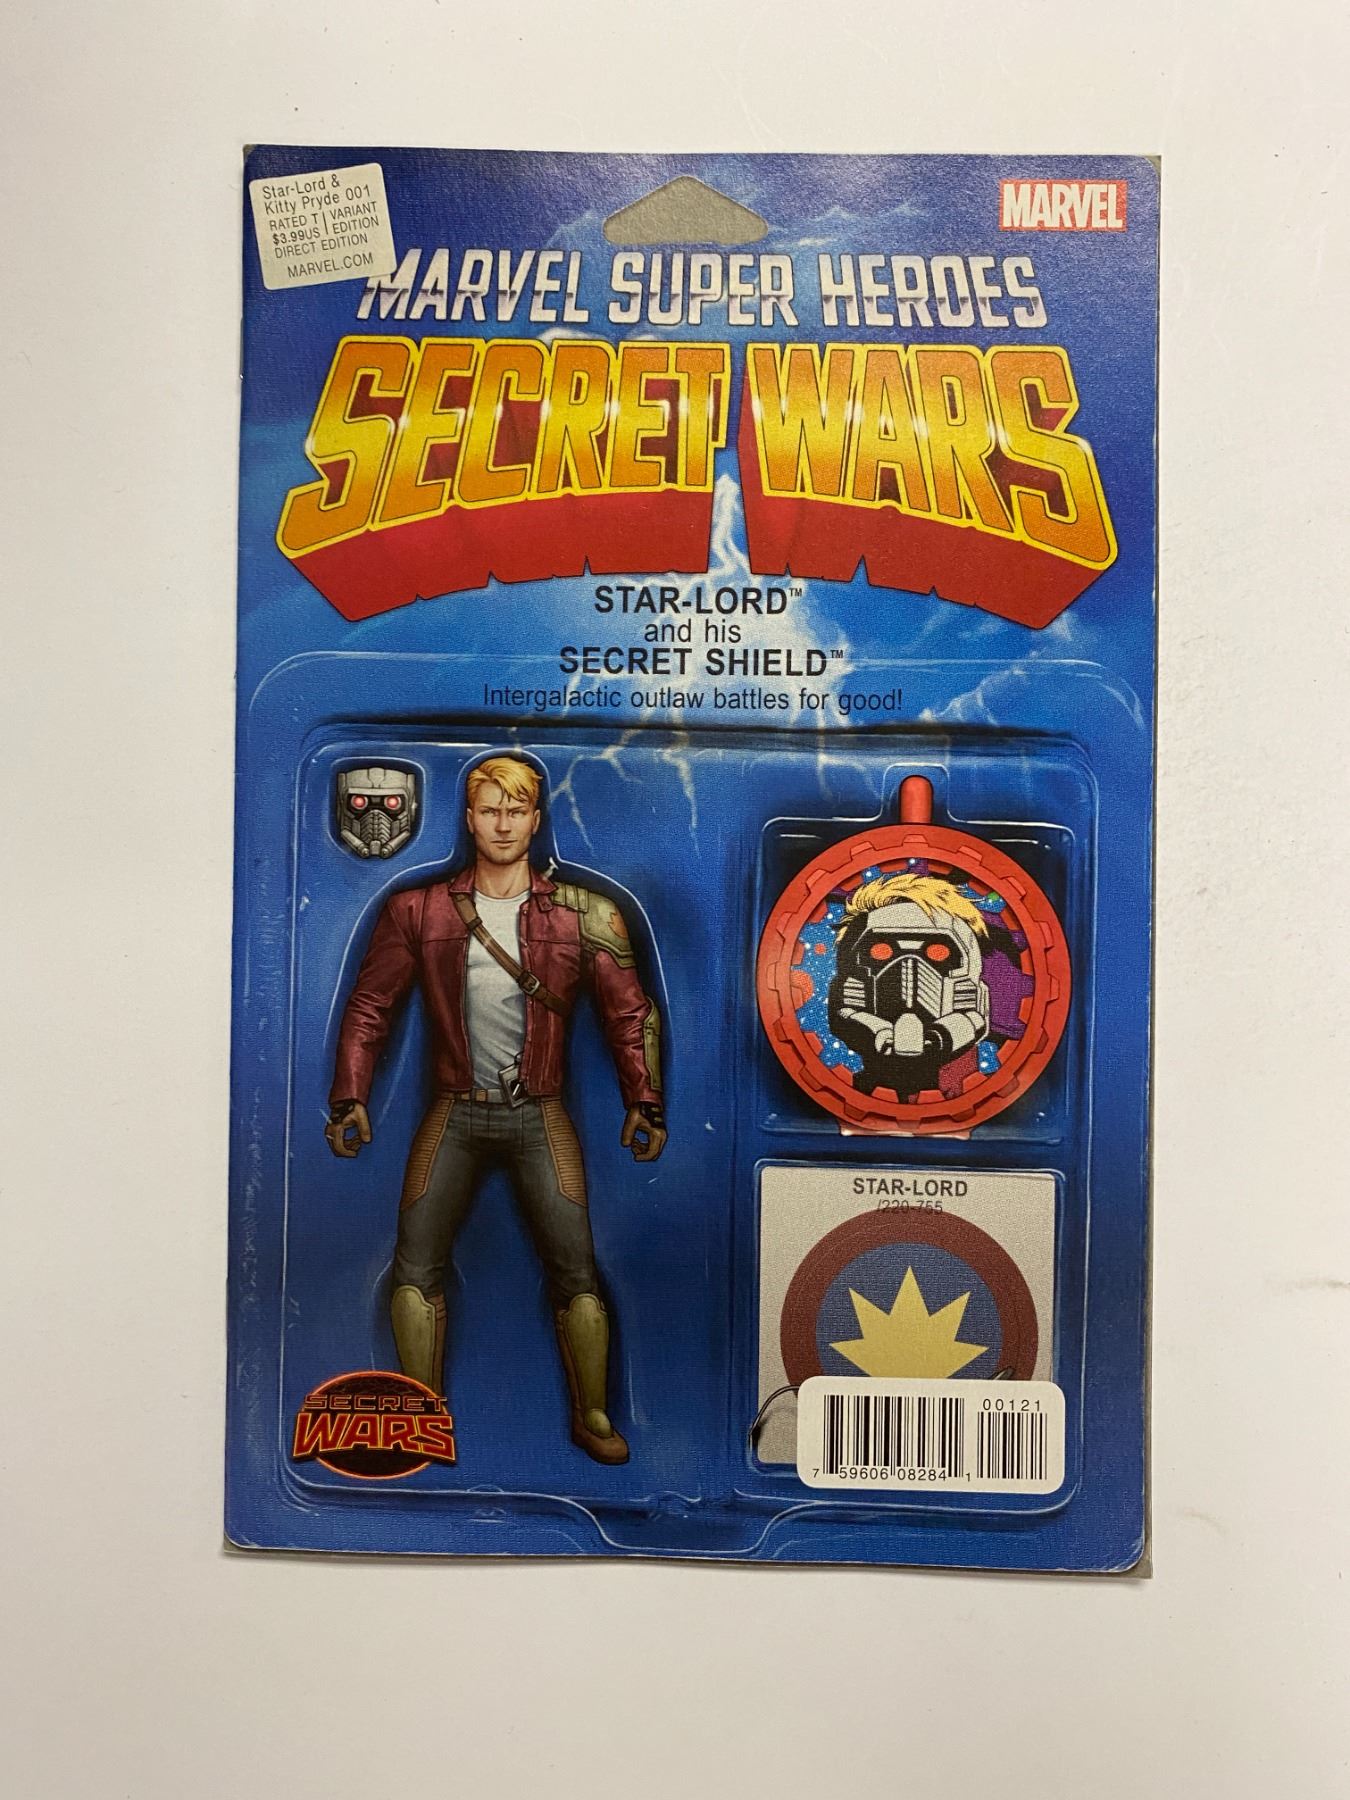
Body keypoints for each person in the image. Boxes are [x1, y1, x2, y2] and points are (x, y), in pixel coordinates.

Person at [324, 754, 666, 1464]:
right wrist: (350, 1094)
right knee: (415, 1265)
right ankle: (420, 1412)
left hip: (538, 1113)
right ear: (469, 819)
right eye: (490, 810)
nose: (503, 824)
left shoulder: (584, 913)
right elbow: (370, 1006)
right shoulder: (418, 910)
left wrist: (646, 1100)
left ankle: (593, 1414)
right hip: (456, 1110)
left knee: (577, 1272)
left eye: (516, 810)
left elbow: (630, 1015)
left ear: (536, 820)